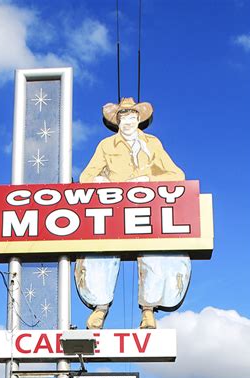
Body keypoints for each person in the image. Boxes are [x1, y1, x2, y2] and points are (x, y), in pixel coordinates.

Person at [74, 97, 191, 330]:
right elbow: (86, 177)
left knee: (155, 254)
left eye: (131, 116)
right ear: (117, 121)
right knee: (101, 252)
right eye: (123, 117)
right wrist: (100, 179)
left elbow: (177, 174)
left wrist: (149, 179)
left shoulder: (152, 143)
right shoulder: (107, 145)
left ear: (138, 119)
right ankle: (100, 308)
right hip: (113, 208)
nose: (127, 121)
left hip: (148, 208)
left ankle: (149, 311)